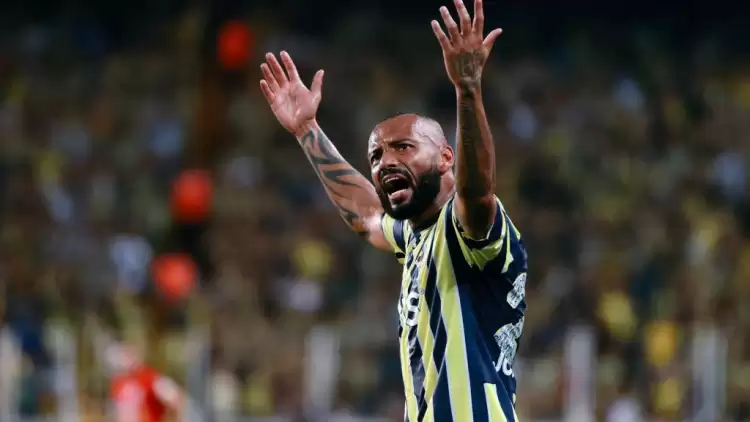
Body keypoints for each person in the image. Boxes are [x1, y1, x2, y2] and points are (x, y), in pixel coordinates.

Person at [260, 0, 527, 420]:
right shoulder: (417, 236)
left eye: (403, 147)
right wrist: (307, 130)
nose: (385, 162)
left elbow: (478, 193)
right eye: (377, 156)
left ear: (446, 158)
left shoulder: (468, 232)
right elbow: (366, 215)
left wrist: (468, 89)